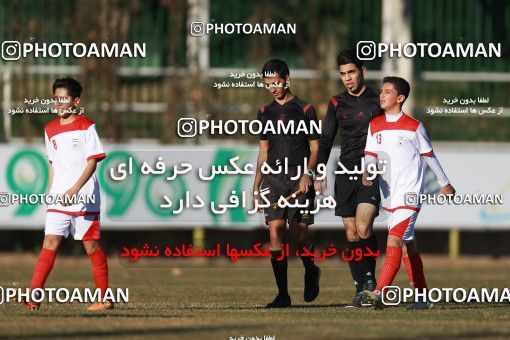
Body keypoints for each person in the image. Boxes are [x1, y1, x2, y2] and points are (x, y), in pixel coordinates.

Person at [361, 76, 455, 310]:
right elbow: (370, 154)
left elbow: (429, 156)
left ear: (400, 98)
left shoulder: (414, 126)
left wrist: (445, 183)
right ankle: (422, 298)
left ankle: (379, 292)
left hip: (410, 194)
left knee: (394, 240)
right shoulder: (375, 125)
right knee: (407, 246)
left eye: (388, 92)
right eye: (381, 91)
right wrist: (368, 170)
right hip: (390, 196)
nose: (382, 95)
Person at [22, 77, 111, 311]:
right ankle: (33, 296)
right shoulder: (49, 129)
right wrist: (50, 193)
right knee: (49, 242)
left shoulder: (86, 126)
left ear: (76, 101)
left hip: (84, 197)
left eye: (64, 99)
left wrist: (75, 189)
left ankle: (103, 299)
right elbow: (52, 163)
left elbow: (93, 162)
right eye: (55, 99)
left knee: (91, 246)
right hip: (59, 199)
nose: (59, 104)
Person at [315, 49, 383, 307]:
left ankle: (370, 280)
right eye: (343, 74)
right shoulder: (336, 103)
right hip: (345, 172)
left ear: (362, 71)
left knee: (365, 227)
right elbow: (326, 139)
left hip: (371, 171)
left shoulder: (379, 99)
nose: (348, 78)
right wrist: (319, 170)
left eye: (352, 72)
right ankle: (360, 289)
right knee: (352, 233)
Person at [253, 59, 321, 308]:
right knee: (275, 232)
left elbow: (316, 148)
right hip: (273, 179)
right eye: (268, 84)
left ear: (287, 78)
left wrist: (308, 173)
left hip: (299, 178)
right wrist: (256, 187)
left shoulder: (305, 110)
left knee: (297, 236)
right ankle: (283, 295)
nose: (273, 88)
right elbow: (263, 152)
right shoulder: (264, 112)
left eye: (276, 82)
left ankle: (311, 269)